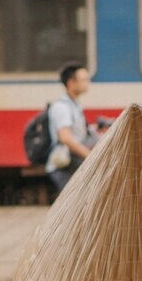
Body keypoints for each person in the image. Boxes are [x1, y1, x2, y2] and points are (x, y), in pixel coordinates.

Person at [46, 62, 92, 193]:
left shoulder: (75, 105)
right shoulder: (62, 107)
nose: (88, 83)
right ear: (71, 83)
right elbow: (66, 138)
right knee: (72, 210)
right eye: (84, 80)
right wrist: (90, 156)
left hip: (72, 163)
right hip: (63, 166)